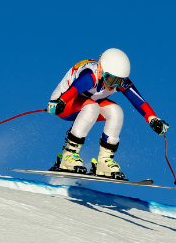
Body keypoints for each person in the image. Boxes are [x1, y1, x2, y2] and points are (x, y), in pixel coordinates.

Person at [46, 48, 169, 179]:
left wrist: (153, 119)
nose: (114, 85)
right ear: (101, 70)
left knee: (116, 111)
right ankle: (68, 155)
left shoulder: (117, 79)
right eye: (111, 80)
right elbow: (75, 90)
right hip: (64, 104)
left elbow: (139, 101)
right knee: (92, 107)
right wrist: (60, 102)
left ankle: (104, 161)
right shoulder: (90, 76)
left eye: (119, 81)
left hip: (89, 103)